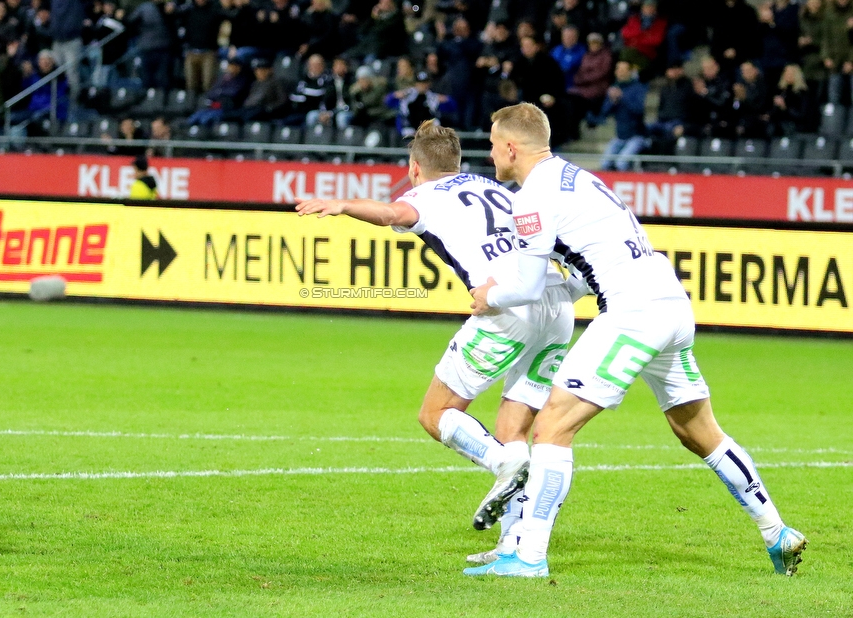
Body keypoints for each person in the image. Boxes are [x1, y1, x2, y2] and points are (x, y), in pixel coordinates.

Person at [465, 102, 807, 578]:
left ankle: (527, 558)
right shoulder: (577, 178)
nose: (489, 152)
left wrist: (490, 296)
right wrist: (551, 290)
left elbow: (522, 287)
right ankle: (777, 532)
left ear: (510, 146)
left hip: (633, 313)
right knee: (698, 431)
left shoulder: (532, 197)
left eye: (490, 143)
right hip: (669, 301)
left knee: (550, 430)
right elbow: (586, 273)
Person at [296, 120, 585, 564]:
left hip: (506, 307)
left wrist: (343, 205)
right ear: (458, 162)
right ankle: (512, 544)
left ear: (415, 168)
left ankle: (504, 467)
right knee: (513, 429)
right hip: (557, 306)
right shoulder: (494, 188)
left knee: (437, 414)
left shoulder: (424, 195)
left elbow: (394, 215)